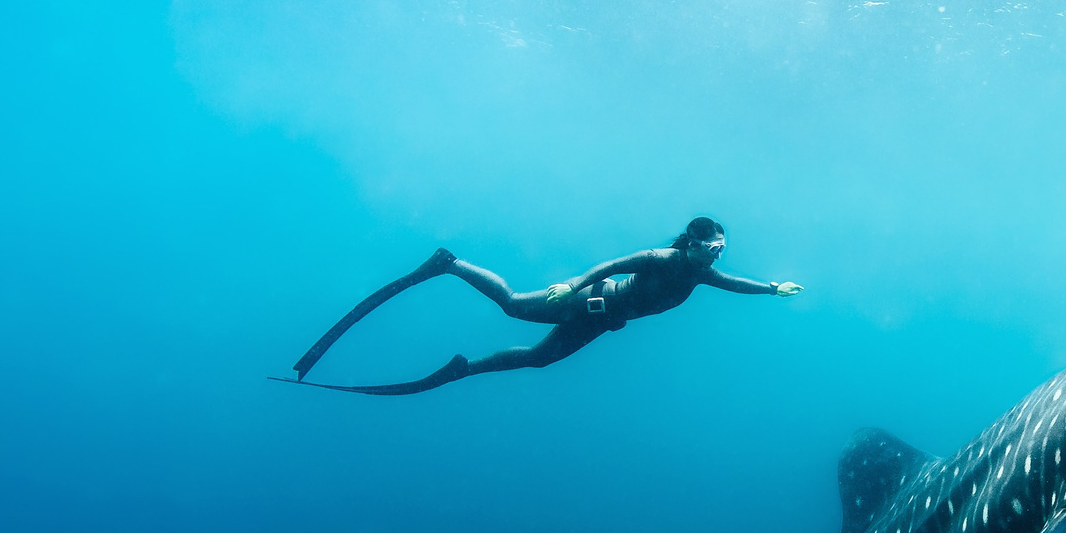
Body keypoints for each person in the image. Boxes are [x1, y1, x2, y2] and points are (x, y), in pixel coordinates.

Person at [281, 217, 802, 395]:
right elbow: (610, 265)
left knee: (539, 360)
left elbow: (736, 284)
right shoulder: (661, 258)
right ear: (691, 242)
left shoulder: (701, 273)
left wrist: (771, 288)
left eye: (721, 249)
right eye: (712, 247)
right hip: (587, 300)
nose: (717, 255)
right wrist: (571, 284)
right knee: (511, 305)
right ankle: (449, 263)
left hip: (603, 321)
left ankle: (463, 368)